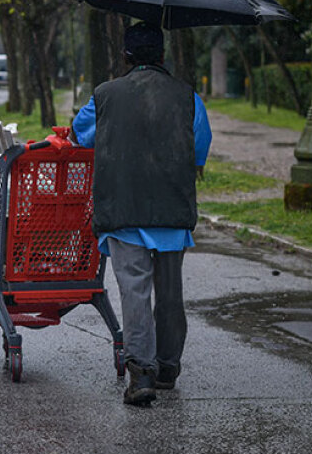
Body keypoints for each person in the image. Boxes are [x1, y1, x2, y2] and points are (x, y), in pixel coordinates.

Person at [71, 21, 211, 406]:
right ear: (163, 57)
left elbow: (80, 135)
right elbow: (200, 149)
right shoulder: (188, 96)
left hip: (124, 208)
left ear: (126, 56)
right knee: (170, 293)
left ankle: (142, 373)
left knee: (134, 290)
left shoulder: (104, 95)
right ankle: (168, 366)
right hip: (171, 209)